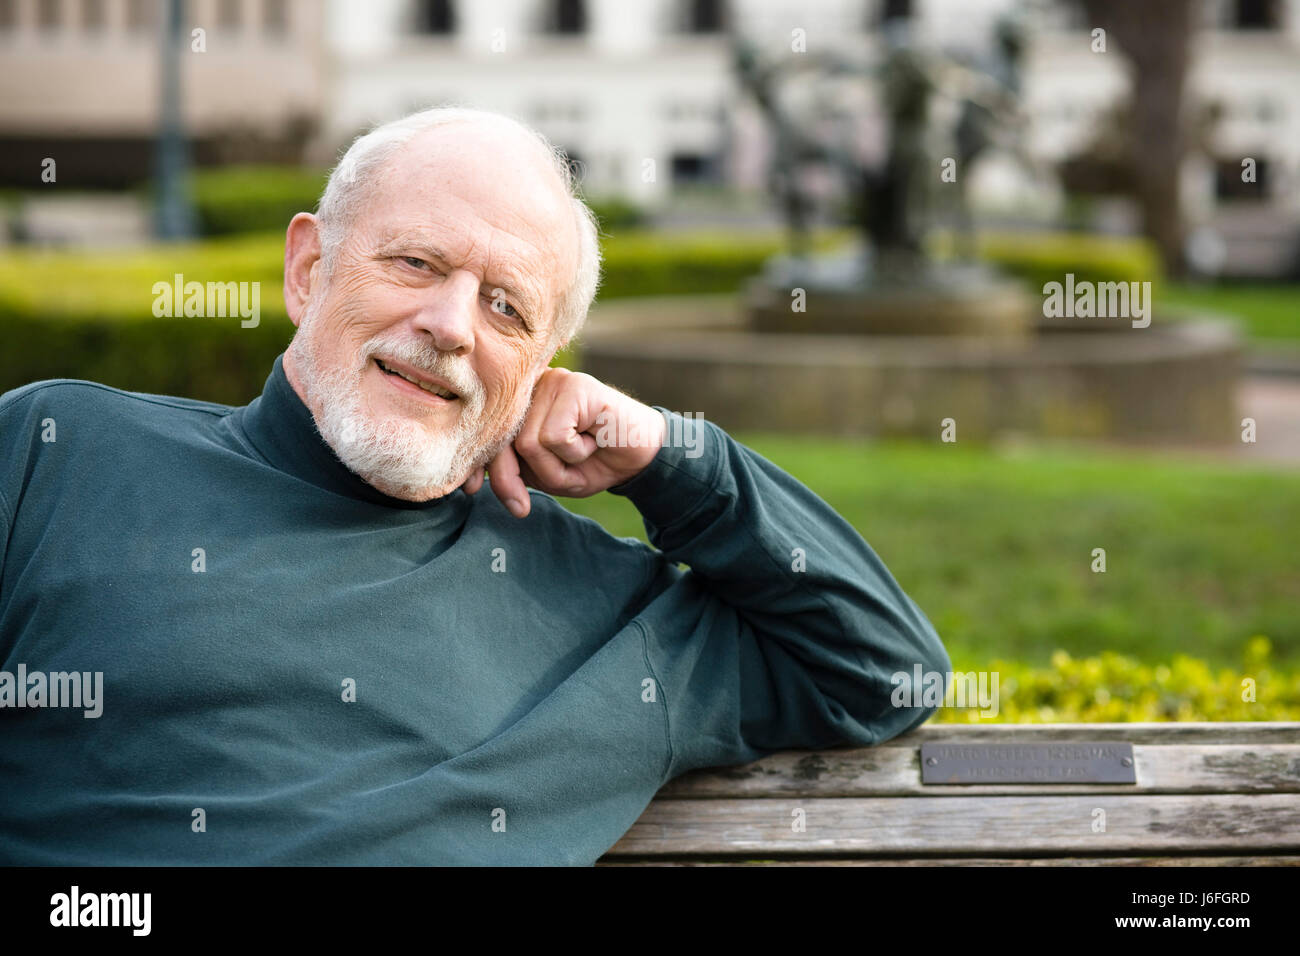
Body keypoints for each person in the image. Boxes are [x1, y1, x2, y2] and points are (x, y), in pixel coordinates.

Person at [0, 107, 950, 865]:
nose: (452, 325)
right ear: (308, 269)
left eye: (508, 308)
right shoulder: (59, 454)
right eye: (416, 263)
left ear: (543, 365)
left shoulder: (605, 612)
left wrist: (677, 460)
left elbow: (882, 668)